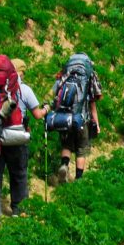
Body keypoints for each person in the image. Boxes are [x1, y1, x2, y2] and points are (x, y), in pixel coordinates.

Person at [0, 59, 46, 225]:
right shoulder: (24, 89)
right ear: (21, 72)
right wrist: (47, 108)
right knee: (18, 174)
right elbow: (37, 114)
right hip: (17, 137)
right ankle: (19, 210)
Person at [53, 53, 102, 183]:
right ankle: (78, 179)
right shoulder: (89, 75)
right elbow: (94, 100)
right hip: (82, 118)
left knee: (67, 144)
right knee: (81, 148)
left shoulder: (64, 73)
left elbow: (55, 93)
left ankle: (64, 165)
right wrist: (96, 123)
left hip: (65, 117)